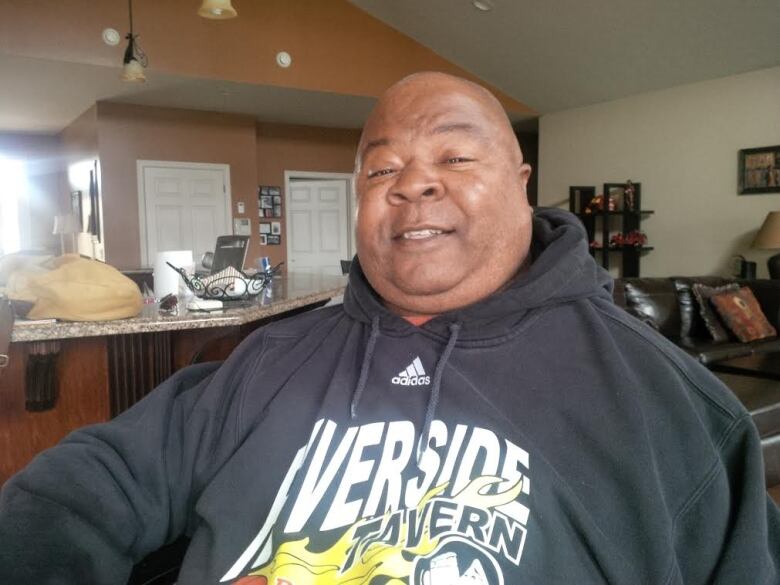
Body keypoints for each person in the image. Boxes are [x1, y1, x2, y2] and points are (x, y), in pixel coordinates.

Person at [1, 72, 778, 584]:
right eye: (381, 169)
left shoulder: (664, 402)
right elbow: (86, 484)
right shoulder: (267, 358)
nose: (414, 184)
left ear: (520, 183)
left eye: (455, 156)